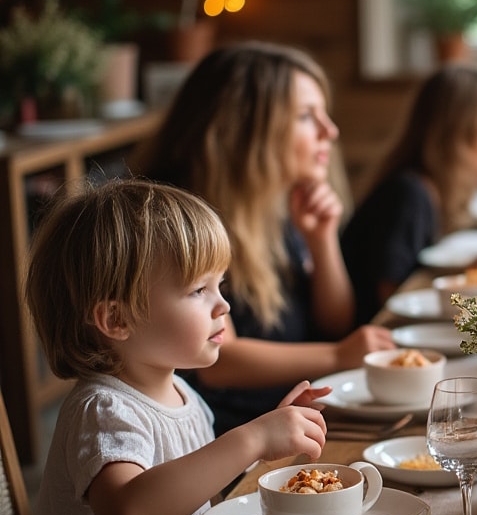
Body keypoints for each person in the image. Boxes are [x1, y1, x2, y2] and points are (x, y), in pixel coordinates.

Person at [22, 179, 329, 515]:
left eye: (220, 285)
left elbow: (192, 504)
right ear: (116, 318)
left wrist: (263, 450)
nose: (222, 306)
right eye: (197, 290)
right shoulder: (103, 408)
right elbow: (132, 511)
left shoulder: (185, 397)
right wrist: (248, 440)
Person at [137, 41, 394, 435]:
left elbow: (334, 321)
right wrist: (340, 355)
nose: (331, 130)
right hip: (227, 436)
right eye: (308, 116)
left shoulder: (277, 203)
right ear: (247, 129)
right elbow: (219, 363)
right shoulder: (179, 219)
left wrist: (321, 240)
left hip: (291, 413)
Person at [341, 64, 477, 324]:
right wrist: (465, 284)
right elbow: (393, 296)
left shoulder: (432, 189)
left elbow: (416, 268)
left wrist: (463, 271)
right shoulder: (409, 194)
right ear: (458, 137)